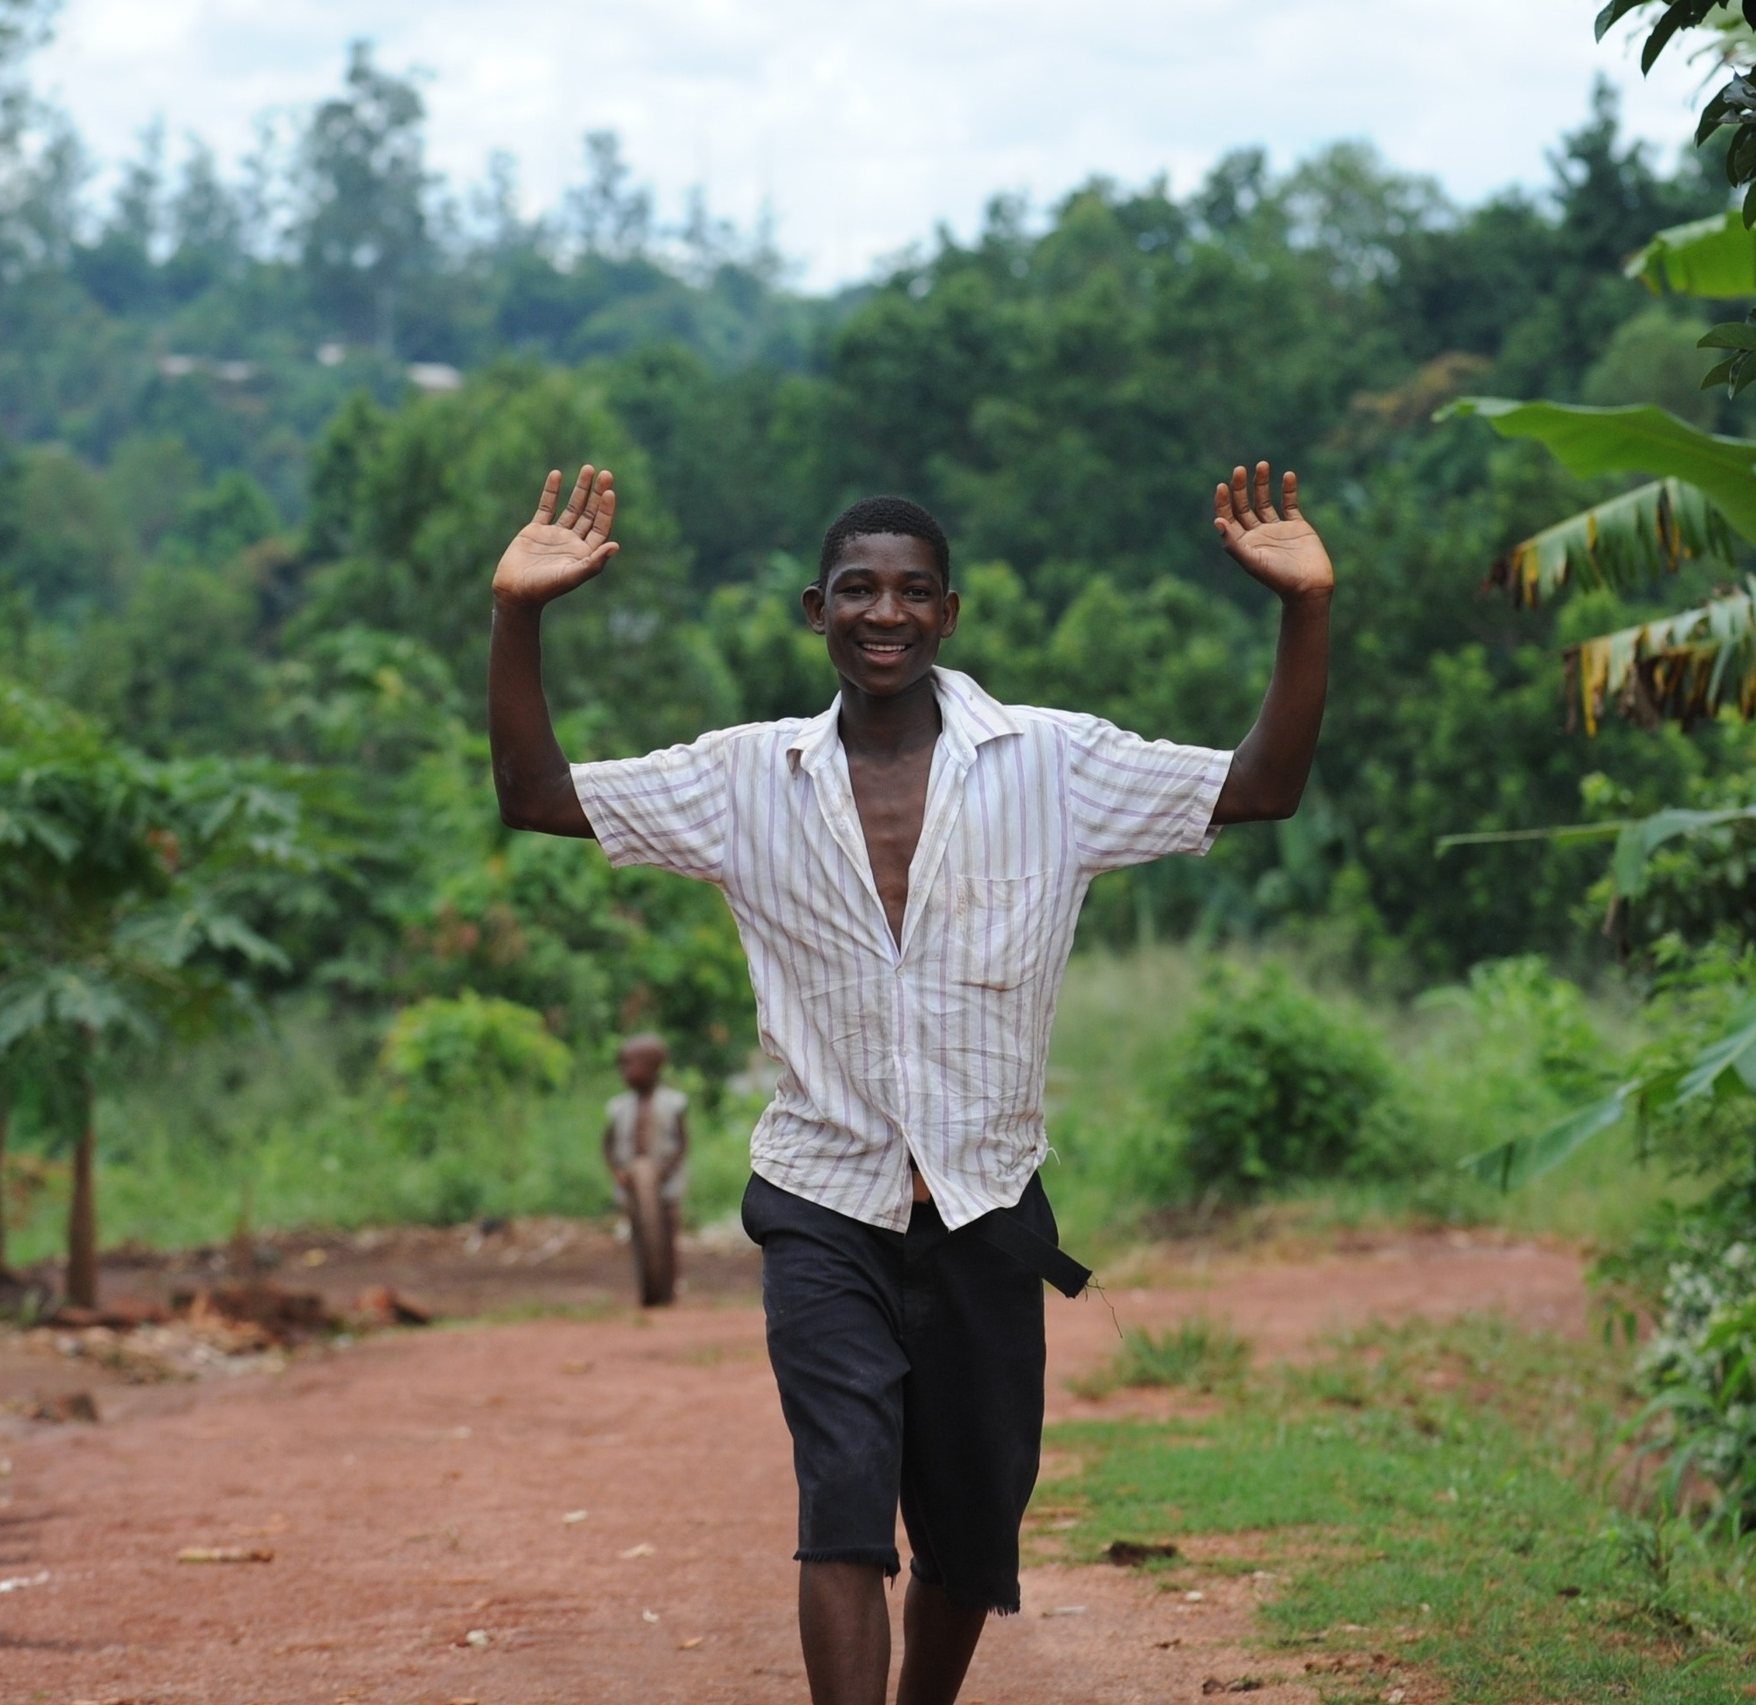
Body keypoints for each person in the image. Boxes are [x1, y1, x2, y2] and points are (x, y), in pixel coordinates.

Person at [487, 461, 1331, 1705]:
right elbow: (537, 796)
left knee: (973, 1526)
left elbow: (1261, 785)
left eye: (911, 592)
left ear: (949, 614)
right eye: (855, 591)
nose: (883, 612)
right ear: (811, 610)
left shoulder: (1055, 766)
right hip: (823, 1198)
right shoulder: (741, 780)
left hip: (988, 1204)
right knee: (839, 1499)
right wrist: (518, 614)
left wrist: (1304, 608)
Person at [605, 1032, 690, 1306]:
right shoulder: (618, 1107)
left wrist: (668, 1169)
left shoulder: (673, 1102)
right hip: (632, 1180)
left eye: (631, 1065)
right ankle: (647, 1292)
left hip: (665, 1177)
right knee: (639, 1234)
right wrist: (617, 1171)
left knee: (667, 1232)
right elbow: (607, 1144)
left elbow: (682, 1141)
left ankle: (668, 1291)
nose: (626, 1072)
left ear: (653, 1067)